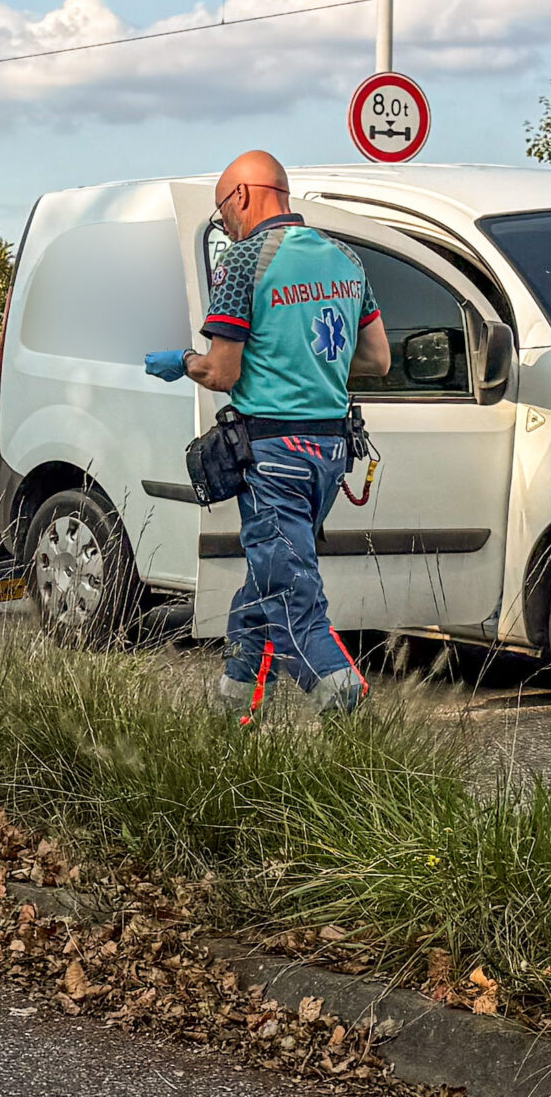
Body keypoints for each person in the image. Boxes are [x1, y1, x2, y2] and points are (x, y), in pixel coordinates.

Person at [182, 151, 390, 717]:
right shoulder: (345, 259)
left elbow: (222, 372)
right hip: (328, 455)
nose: (225, 226)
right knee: (266, 579)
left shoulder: (245, 260)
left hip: (272, 453)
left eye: (223, 213)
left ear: (244, 195)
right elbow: (377, 358)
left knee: (287, 594)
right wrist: (307, 362)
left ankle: (345, 707)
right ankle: (232, 712)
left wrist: (183, 361)